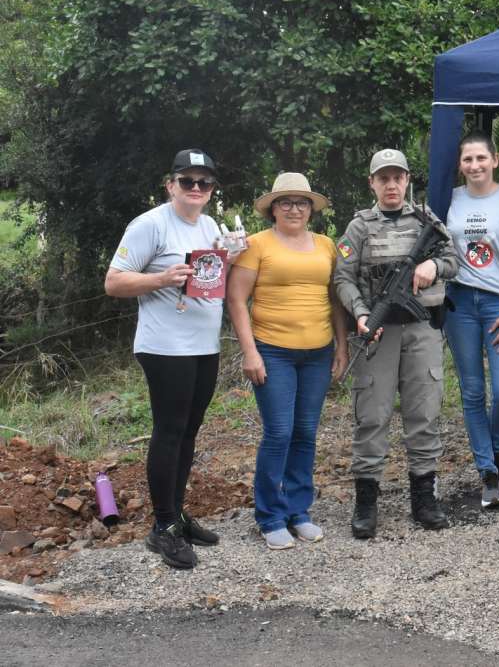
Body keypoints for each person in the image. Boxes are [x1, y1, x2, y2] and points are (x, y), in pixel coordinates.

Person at [105, 149, 230, 570]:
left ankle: (176, 515)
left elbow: (213, 274)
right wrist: (160, 278)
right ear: (170, 184)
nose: (196, 189)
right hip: (164, 347)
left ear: (212, 189)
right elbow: (114, 282)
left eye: (204, 183)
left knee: (189, 432)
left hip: (204, 344)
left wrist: (235, 252)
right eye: (187, 181)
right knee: (170, 431)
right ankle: (161, 528)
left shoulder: (210, 224)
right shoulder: (150, 224)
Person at [333, 148, 457, 537]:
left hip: (422, 329)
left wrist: (432, 266)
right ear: (372, 182)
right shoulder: (358, 227)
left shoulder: (426, 220)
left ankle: (424, 497)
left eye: (397, 177)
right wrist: (361, 313)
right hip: (378, 330)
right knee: (372, 415)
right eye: (383, 178)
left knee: (424, 411)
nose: (391, 184)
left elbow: (454, 258)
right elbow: (342, 278)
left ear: (406, 180)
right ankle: (366, 501)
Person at [227, 172, 348, 549]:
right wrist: (250, 351)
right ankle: (270, 515)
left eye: (301, 203)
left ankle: (299, 511)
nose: (294, 209)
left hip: (318, 352)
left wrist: (342, 347)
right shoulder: (256, 245)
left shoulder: (327, 245)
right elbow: (236, 299)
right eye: (286, 202)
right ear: (273, 209)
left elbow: (336, 300)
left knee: (305, 433)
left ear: (311, 209)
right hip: (273, 351)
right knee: (279, 433)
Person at [443, 132, 499, 509]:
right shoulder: (448, 199)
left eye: (481, 158)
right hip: (459, 302)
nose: (475, 166)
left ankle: (497, 448)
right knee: (473, 391)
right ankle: (488, 472)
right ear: (460, 165)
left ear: (495, 159)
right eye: (468, 160)